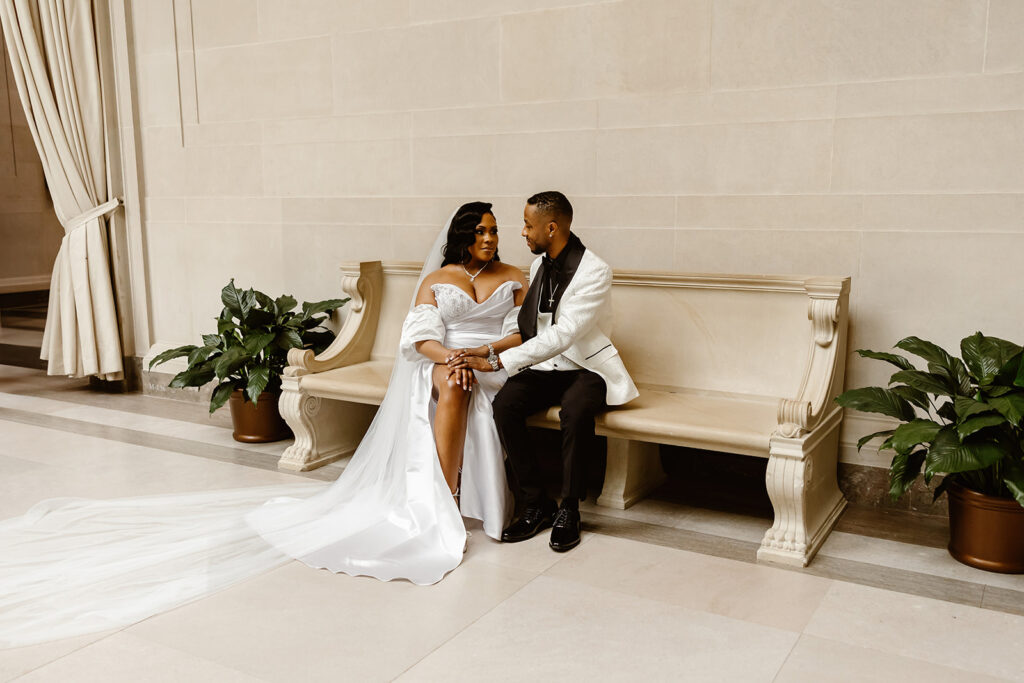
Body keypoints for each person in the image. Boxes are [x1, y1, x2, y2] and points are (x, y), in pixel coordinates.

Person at [0, 202, 525, 649]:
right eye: (480, 230)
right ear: (461, 236)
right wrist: (454, 356)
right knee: (452, 380)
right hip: (439, 363)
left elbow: (523, 333)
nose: (489, 238)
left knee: (464, 379)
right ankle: (445, 498)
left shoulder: (515, 279)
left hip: (497, 368)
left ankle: (449, 487)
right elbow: (419, 338)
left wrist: (484, 355)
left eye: (494, 230)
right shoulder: (437, 280)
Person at [447, 191, 639, 553]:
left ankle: (569, 509)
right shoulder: (539, 266)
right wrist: (489, 350)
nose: (522, 233)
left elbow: (564, 335)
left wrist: (498, 362)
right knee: (505, 405)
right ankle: (537, 503)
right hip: (545, 365)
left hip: (586, 368)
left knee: (577, 411)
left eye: (528, 225)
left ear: (551, 228)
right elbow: (529, 326)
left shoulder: (594, 271)